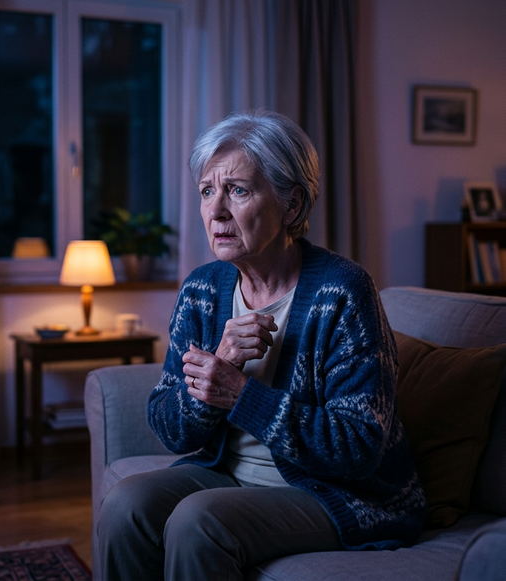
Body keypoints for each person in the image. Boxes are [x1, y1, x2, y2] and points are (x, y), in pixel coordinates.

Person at [97, 111, 427, 580]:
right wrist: (215, 376)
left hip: (331, 491)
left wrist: (240, 393)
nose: (216, 212)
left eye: (238, 190)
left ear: (291, 206)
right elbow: (171, 429)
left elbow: (358, 448)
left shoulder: (342, 291)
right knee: (124, 505)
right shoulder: (203, 290)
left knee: (198, 522)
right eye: (208, 191)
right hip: (225, 473)